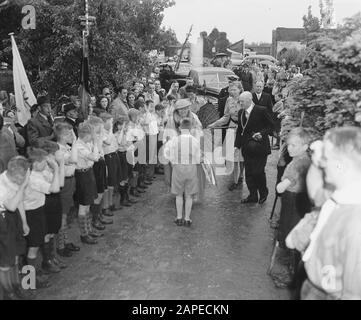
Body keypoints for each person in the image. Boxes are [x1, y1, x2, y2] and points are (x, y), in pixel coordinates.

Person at [286, 127, 361, 300]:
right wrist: (317, 156)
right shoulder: (340, 194)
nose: (322, 163)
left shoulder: (356, 222)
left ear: (342, 165)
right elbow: (315, 193)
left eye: (327, 158)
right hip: (313, 286)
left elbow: (354, 294)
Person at [271, 128, 312, 291]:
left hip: (292, 202)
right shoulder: (306, 159)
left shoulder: (296, 164)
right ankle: (293, 273)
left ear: (305, 146)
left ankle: (287, 277)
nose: (290, 148)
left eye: (295, 145)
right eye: (289, 145)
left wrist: (279, 185)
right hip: (301, 200)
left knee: (288, 235)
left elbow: (281, 188)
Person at [24, 147, 61, 290]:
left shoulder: (35, 175)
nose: (47, 164)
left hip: (37, 211)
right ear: (37, 163)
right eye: (45, 162)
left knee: (35, 245)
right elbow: (54, 189)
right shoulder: (33, 178)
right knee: (32, 248)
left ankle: (33, 275)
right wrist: (56, 168)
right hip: (32, 214)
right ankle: (29, 283)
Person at [235, 91, 274, 204]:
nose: (240, 103)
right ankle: (252, 195)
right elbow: (239, 130)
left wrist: (261, 133)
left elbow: (270, 126)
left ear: (249, 100)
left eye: (242, 101)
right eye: (240, 101)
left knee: (258, 172)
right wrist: (237, 145)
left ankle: (263, 193)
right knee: (249, 173)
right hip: (247, 148)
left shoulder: (261, 110)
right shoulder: (241, 113)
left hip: (260, 147)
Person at [0, 156, 30, 300]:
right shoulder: (1, 184)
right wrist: (23, 186)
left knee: (16, 255)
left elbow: (19, 203)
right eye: (24, 177)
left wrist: (24, 222)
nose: (26, 180)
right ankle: (8, 291)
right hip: (3, 220)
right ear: (18, 175)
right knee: (6, 260)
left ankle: (16, 285)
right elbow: (11, 206)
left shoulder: (17, 180)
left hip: (13, 217)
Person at [164, 118, 201, 227]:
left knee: (179, 195)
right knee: (189, 195)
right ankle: (187, 218)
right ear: (190, 128)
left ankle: (179, 217)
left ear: (180, 128)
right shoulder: (195, 141)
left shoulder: (174, 140)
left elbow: (167, 154)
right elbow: (198, 158)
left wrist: (173, 162)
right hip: (191, 169)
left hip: (178, 169)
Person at [208, 81, 244, 191]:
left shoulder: (245, 99)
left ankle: (241, 175)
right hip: (232, 128)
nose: (232, 91)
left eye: (234, 89)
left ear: (240, 90)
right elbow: (226, 116)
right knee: (233, 156)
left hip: (243, 128)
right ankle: (235, 181)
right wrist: (213, 124)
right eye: (230, 89)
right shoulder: (228, 100)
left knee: (242, 156)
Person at [54, 122, 80, 258]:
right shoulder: (58, 150)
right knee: (62, 216)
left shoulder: (65, 147)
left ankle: (65, 240)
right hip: (63, 184)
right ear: (64, 136)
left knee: (67, 213)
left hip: (70, 181)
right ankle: (60, 246)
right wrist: (75, 142)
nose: (73, 135)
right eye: (70, 133)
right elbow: (74, 160)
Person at [72, 122, 101, 245]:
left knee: (88, 203)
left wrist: (94, 146)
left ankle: (89, 229)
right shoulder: (79, 146)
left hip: (88, 173)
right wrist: (95, 142)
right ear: (86, 135)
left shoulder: (85, 143)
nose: (93, 137)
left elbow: (97, 155)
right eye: (92, 135)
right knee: (83, 206)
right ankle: (84, 234)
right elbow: (95, 157)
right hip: (82, 175)